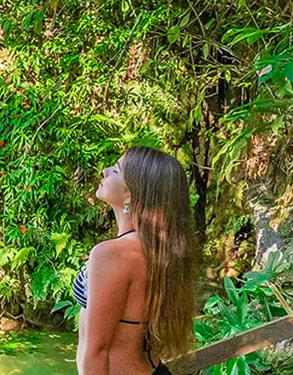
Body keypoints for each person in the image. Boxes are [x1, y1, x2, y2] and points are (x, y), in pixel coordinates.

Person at [74, 146, 201, 375]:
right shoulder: (160, 251)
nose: (104, 171)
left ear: (131, 194)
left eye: (116, 170)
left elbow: (96, 350)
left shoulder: (113, 254)